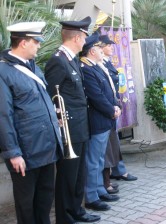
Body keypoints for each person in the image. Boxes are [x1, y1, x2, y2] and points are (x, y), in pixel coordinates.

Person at [0, 21, 63, 224]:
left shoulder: (33, 68)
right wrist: (13, 153)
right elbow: (3, 116)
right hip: (26, 152)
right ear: (24, 42)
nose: (38, 46)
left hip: (46, 147)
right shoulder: (3, 71)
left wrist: (54, 117)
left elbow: (38, 102)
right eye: (36, 42)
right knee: (26, 206)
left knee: (44, 201)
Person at [44, 17, 100, 224]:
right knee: (68, 175)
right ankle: (65, 217)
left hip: (79, 126)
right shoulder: (57, 61)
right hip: (68, 128)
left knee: (78, 174)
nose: (86, 41)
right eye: (84, 37)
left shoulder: (72, 60)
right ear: (77, 37)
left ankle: (77, 210)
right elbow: (50, 96)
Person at [80, 32, 120, 211]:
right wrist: (112, 110)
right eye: (97, 48)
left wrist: (115, 106)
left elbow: (108, 91)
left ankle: (99, 190)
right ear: (91, 51)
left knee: (98, 159)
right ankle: (91, 196)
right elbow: (96, 96)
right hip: (98, 120)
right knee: (93, 160)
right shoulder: (86, 69)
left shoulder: (95, 66)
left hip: (105, 119)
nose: (101, 51)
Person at [99, 34, 138, 181]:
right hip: (107, 109)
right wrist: (112, 107)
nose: (111, 47)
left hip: (113, 105)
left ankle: (117, 170)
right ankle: (116, 171)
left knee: (114, 142)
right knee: (109, 144)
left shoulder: (106, 62)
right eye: (108, 45)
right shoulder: (99, 64)